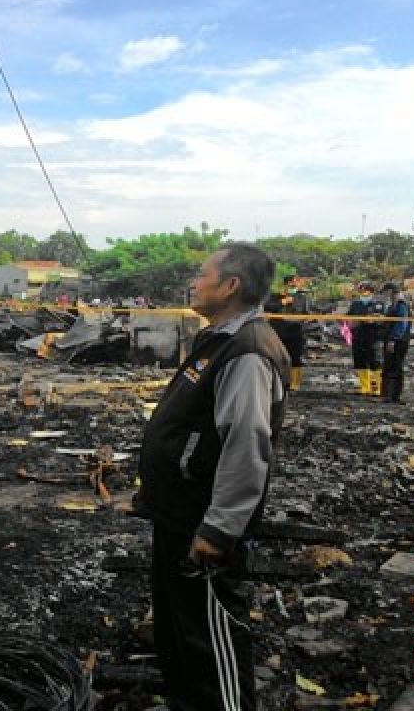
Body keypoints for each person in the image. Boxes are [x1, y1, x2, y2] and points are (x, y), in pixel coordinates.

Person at [136, 243, 290, 711]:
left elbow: (247, 443)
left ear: (231, 285)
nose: (193, 283)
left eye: (202, 275)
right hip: (179, 512)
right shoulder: (219, 339)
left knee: (211, 638)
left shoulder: (247, 351)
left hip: (204, 521)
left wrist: (221, 525)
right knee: (180, 631)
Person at [347, 282, 383, 396]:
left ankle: (379, 387)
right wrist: (349, 323)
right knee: (360, 361)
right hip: (358, 336)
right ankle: (365, 387)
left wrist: (374, 320)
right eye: (361, 291)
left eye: (365, 291)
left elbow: (383, 319)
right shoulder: (355, 304)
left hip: (373, 336)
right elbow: (349, 318)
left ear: (371, 291)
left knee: (375, 362)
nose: (363, 293)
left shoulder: (378, 304)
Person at [380, 282, 412, 403]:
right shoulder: (392, 306)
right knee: (389, 367)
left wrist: (393, 339)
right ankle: (388, 395)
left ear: (391, 292)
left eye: (386, 293)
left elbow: (400, 325)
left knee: (395, 367)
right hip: (392, 340)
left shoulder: (401, 306)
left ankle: (393, 396)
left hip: (398, 342)